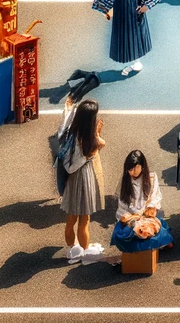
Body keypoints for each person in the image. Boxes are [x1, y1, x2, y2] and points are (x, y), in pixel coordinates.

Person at [58, 99, 106, 264]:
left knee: (71, 219)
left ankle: (73, 249)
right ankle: (84, 253)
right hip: (84, 177)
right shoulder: (86, 139)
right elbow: (98, 146)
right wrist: (96, 143)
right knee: (84, 220)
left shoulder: (72, 131)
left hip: (72, 180)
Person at [111, 150, 172, 255]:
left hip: (147, 214)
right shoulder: (125, 180)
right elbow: (122, 204)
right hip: (131, 216)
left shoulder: (151, 177)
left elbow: (156, 196)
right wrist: (129, 217)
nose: (132, 172)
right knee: (123, 234)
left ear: (142, 166)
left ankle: (161, 241)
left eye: (135, 168)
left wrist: (150, 207)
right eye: (130, 169)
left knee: (151, 230)